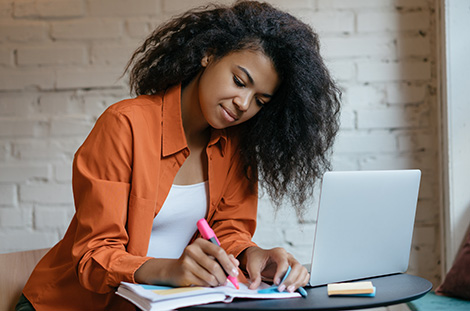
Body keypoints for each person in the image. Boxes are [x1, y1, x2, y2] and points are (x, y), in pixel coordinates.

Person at [17, 1, 341, 310]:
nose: (244, 103)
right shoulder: (125, 125)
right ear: (208, 55)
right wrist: (170, 270)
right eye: (240, 81)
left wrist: (252, 253)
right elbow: (93, 256)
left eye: (260, 101)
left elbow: (228, 231)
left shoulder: (236, 144)